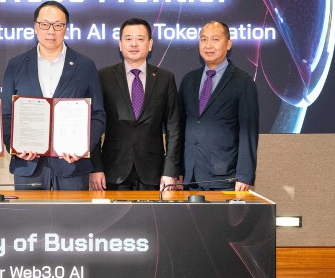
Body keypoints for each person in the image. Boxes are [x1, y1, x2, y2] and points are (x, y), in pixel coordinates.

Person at [1, 0, 105, 190]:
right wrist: (15, 146)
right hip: (28, 166)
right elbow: (6, 115)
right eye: (45, 24)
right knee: (28, 219)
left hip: (72, 165)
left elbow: (98, 115)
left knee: (71, 219)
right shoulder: (16, 65)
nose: (51, 31)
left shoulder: (85, 65)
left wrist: (83, 147)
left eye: (58, 25)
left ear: (65, 28)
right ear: (35, 27)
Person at [90, 18, 181, 191]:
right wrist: (96, 167)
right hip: (112, 170)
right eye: (128, 39)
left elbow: (173, 128)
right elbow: (93, 123)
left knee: (152, 218)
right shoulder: (103, 77)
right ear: (120, 44)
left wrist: (170, 171)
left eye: (140, 39)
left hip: (153, 172)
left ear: (150, 44)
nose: (134, 44)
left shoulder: (165, 78)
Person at [179, 21, 259, 191]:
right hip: (190, 175)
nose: (208, 45)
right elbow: (180, 127)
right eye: (203, 40)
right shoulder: (188, 80)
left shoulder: (243, 82)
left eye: (215, 39)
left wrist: (244, 175)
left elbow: (248, 131)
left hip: (225, 177)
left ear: (228, 44)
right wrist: (177, 169)